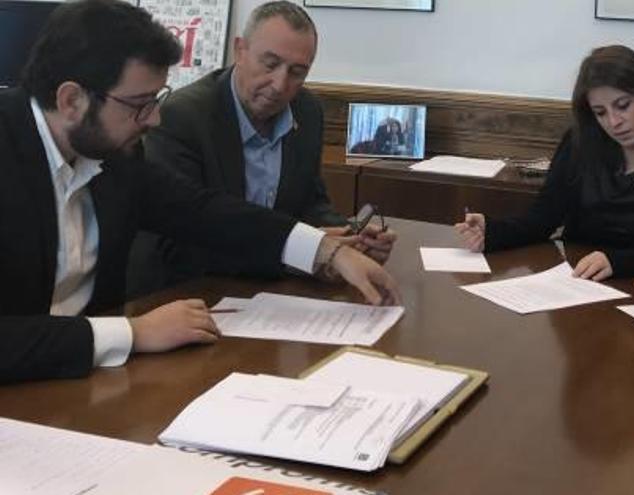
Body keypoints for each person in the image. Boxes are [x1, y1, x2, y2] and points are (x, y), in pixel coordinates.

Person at [0, 0, 399, 384]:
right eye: (140, 104)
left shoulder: (113, 156)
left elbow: (202, 212)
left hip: (86, 384)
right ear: (72, 100)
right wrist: (132, 333)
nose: (154, 119)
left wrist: (327, 250)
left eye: (157, 100)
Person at [138, 1, 396, 290]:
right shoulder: (183, 116)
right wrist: (305, 253)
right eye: (270, 64)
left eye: (297, 72)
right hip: (191, 294)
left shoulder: (307, 111)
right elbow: (178, 240)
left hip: (275, 296)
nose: (279, 84)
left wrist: (350, 240)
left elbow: (310, 202)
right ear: (240, 50)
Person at [454, 45, 634, 281]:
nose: (614, 122)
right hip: (578, 283)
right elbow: (542, 219)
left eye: (623, 106)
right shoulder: (580, 142)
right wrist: (493, 231)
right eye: (600, 112)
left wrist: (618, 262)